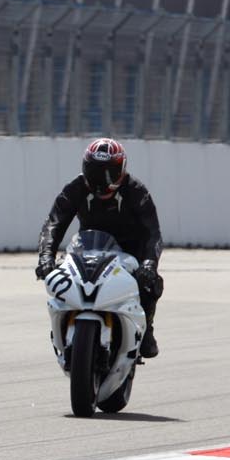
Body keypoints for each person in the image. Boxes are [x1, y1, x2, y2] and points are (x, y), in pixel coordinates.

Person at [35, 137, 164, 359]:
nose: (100, 181)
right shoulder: (76, 188)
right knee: (59, 279)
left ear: (121, 171)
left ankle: (147, 329)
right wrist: (46, 256)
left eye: (108, 173)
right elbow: (54, 223)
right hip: (87, 248)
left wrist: (149, 264)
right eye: (94, 172)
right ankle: (64, 325)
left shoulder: (136, 191)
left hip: (129, 251)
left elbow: (153, 232)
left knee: (151, 284)